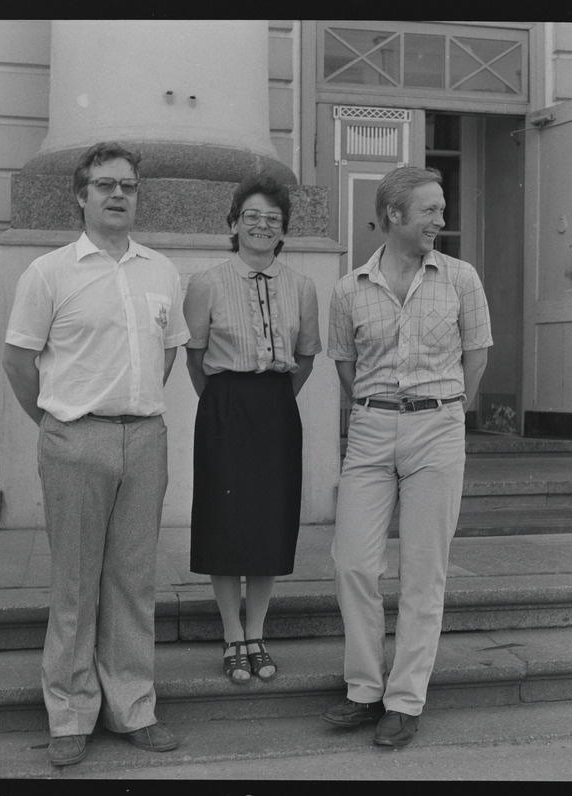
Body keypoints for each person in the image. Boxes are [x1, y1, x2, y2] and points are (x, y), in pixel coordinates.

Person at [2, 142, 189, 767]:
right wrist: (60, 420)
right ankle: (70, 712)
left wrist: (130, 409)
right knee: (76, 585)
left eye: (129, 186)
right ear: (80, 196)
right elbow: (19, 362)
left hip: (145, 439)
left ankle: (132, 707)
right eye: (105, 185)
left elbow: (167, 353)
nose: (118, 195)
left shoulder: (162, 270)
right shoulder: (49, 273)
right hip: (75, 438)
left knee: (134, 581)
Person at [321, 165, 492, 747]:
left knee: (424, 569)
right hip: (370, 429)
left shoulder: (461, 278)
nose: (441, 221)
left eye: (442, 209)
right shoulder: (349, 289)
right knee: (353, 562)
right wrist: (377, 411)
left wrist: (448, 411)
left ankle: (404, 699)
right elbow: (345, 366)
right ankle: (364, 688)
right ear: (394, 215)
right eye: (430, 211)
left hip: (437, 427)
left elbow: (477, 354)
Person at [183, 173, 321, 684]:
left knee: (267, 523)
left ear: (283, 230)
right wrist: (225, 403)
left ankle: (257, 633)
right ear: (234, 223)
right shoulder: (206, 283)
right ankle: (230, 636)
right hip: (224, 407)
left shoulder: (302, 285)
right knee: (226, 522)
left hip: (276, 410)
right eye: (253, 216)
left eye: (273, 219)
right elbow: (196, 357)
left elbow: (306, 356)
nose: (262, 226)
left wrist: (273, 400)